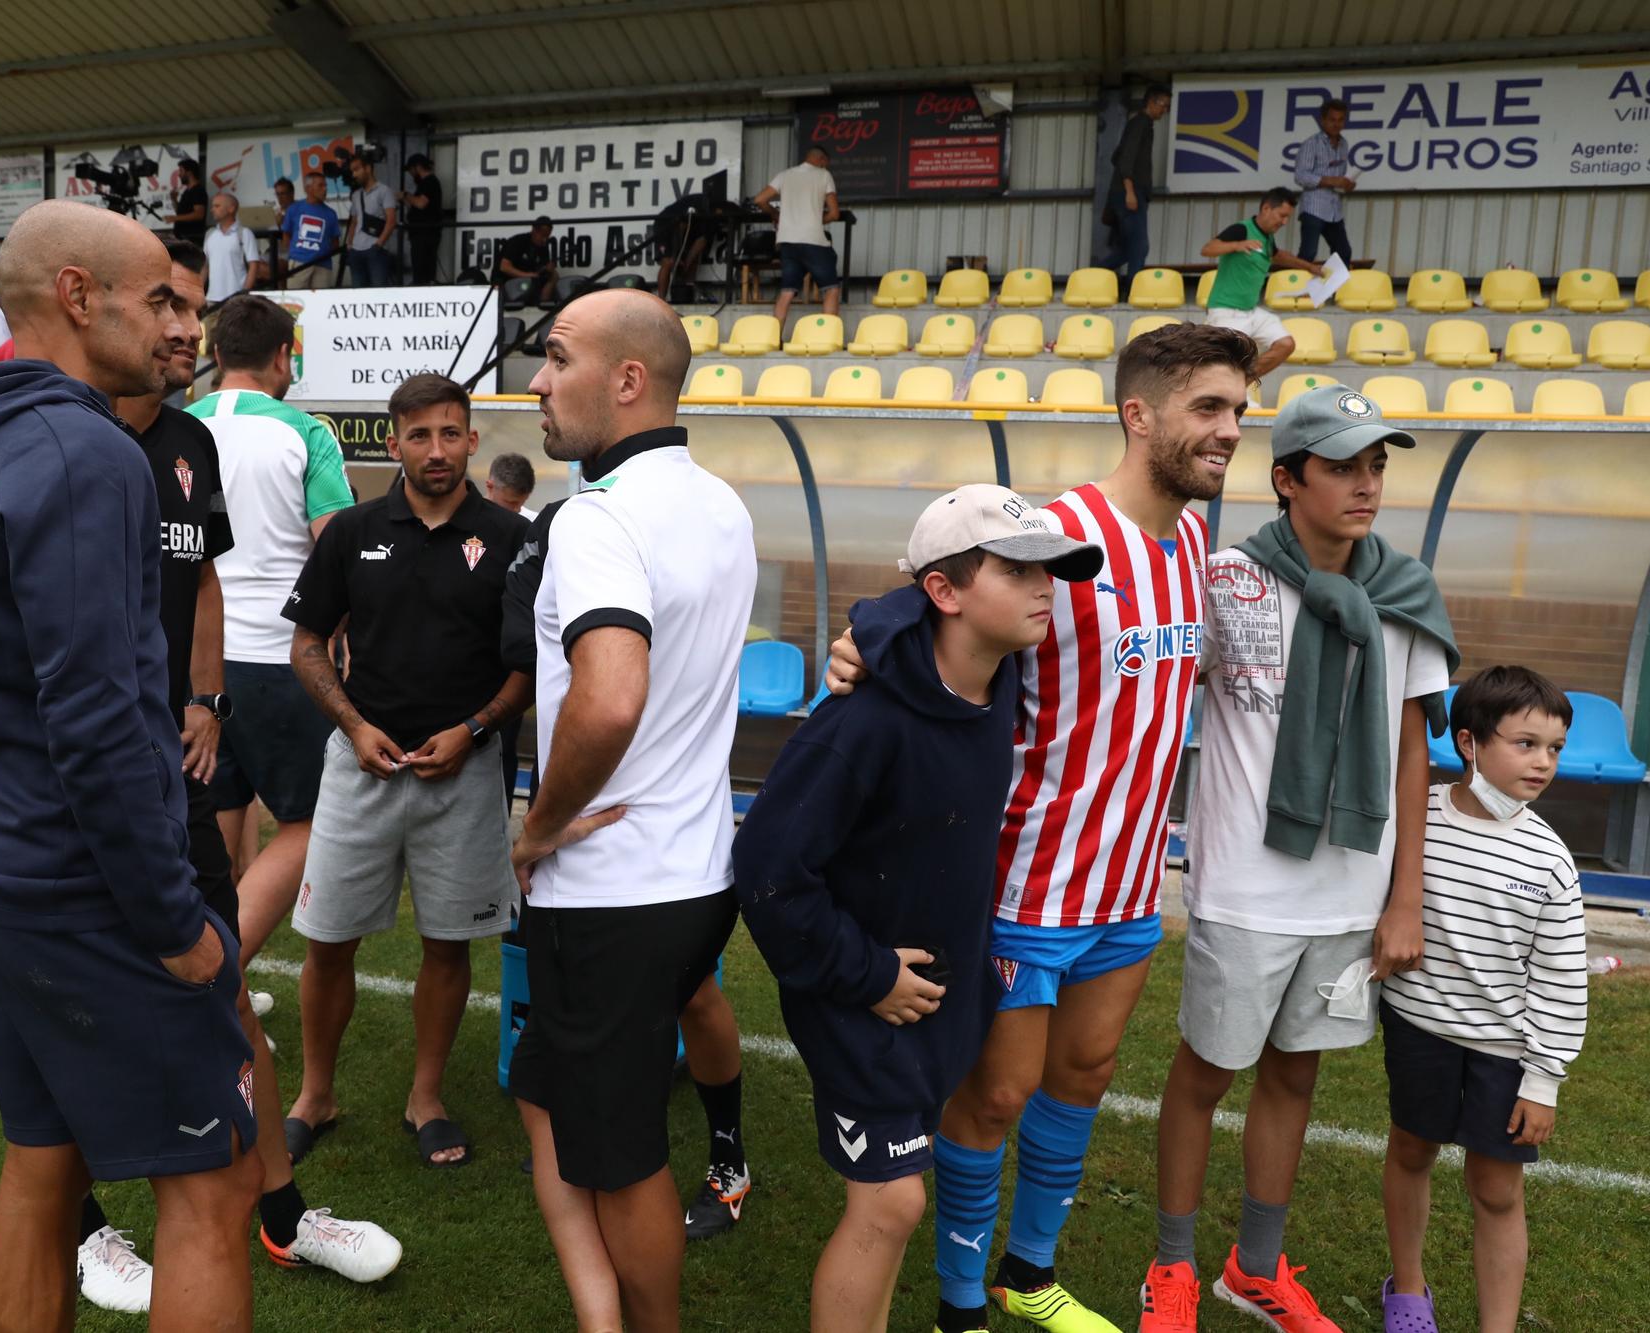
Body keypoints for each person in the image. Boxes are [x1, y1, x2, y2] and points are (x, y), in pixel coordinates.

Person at [0, 199, 260, 1332]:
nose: (175, 320)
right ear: (80, 298)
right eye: (157, 298)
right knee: (213, 1184)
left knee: (43, 1167)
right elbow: (99, 721)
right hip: (86, 888)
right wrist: (174, 924)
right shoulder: (85, 448)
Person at [826, 322, 1257, 1333]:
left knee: (1085, 1073)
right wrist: (861, 640)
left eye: (1238, 410)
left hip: (1128, 884)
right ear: (1135, 415)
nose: (1230, 430)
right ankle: (961, 1299)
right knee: (995, 1095)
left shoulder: (1191, 535)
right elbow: (922, 603)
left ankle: (1028, 1272)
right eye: (1207, 409)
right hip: (1026, 881)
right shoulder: (1058, 532)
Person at [69, 238, 400, 1310]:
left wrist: (203, 697)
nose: (179, 334)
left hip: (191, 726)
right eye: (162, 307)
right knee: (84, 1024)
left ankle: (285, 1216)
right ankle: (83, 1226)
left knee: (215, 971)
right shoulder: (41, 438)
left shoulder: (187, 438)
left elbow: (202, 574)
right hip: (89, 788)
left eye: (192, 316)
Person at [738, 485, 1103, 1333]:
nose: (1044, 587)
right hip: (861, 997)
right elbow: (765, 869)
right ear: (945, 593)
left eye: (1048, 569)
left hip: (938, 998)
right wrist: (866, 975)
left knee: (899, 1195)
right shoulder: (860, 724)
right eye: (1017, 571)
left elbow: (904, 618)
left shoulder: (999, 673)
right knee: (892, 1202)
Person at [1141, 384, 1458, 1333]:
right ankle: (1172, 1268)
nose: (1366, 485)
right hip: (1245, 887)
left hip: (1352, 895)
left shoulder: (1406, 590)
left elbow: (1412, 753)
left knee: (1296, 1076)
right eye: (1343, 467)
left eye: (1377, 466)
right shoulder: (1224, 578)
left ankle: (1257, 1266)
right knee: (1204, 1074)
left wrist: (1405, 898)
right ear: (1286, 480)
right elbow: (1147, 672)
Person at [505, 288, 754, 1331]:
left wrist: (537, 824)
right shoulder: (720, 502)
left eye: (556, 358)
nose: (536, 381)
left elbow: (609, 699)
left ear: (626, 381)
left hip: (612, 887)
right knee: (542, 1088)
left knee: (620, 1153)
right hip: (693, 873)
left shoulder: (598, 518)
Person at [281, 373, 530, 1170]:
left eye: (450, 434)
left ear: (472, 440)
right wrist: (353, 725)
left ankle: (427, 1096)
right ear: (392, 443)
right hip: (363, 767)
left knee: (449, 944)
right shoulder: (351, 532)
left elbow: (530, 665)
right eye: (419, 435)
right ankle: (316, 1093)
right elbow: (308, 643)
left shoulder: (511, 538)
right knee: (326, 940)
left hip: (465, 771)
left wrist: (472, 729)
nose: (436, 450)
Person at [1376, 666, 1586, 1333]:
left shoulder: (1551, 861)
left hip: (1505, 1052)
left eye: (1554, 747)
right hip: (1418, 1029)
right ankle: (1407, 1290)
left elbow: (1560, 977)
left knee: (1496, 1188)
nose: (1543, 761)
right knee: (1411, 1149)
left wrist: (1545, 1079)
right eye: (1525, 743)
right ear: (1468, 741)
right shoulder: (1416, 818)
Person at [188, 295, 355, 977]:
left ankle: (214, 985)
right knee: (310, 824)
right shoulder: (303, 433)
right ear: (285, 357)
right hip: (274, 658)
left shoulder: (174, 427)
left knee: (219, 821)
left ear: (217, 354)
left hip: (191, 660)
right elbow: (335, 551)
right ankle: (217, 979)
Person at [1199, 188, 1323, 380]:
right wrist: (1236, 245)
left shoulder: (1267, 237)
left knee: (1285, 344)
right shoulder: (1241, 229)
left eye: (1287, 217)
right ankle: (1232, 387)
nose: (1284, 222)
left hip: (1250, 311)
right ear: (1266, 208)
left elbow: (1278, 256)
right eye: (1282, 215)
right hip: (1226, 312)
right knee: (1225, 366)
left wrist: (1310, 267)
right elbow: (1207, 249)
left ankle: (1243, 382)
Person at [753, 147, 841, 334]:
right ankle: (827, 337)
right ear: (822, 160)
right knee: (831, 289)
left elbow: (760, 200)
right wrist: (818, 220)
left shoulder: (785, 175)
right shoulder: (824, 175)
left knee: (787, 291)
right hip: (813, 241)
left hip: (788, 241)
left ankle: (774, 338)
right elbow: (834, 213)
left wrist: (776, 214)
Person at [1100, 84, 1169, 281]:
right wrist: (1129, 190)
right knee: (1140, 246)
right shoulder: (1141, 123)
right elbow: (1124, 159)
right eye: (1163, 105)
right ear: (1151, 102)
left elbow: (1116, 156)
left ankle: (1090, 277)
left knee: (1126, 249)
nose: (1165, 110)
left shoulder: (1139, 125)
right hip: (1130, 192)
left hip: (1127, 192)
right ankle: (1133, 292)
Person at [1292, 100, 1356, 267]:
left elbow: (1339, 176)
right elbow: (1300, 176)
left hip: (1334, 209)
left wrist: (1346, 184)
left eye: (1341, 120)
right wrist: (1331, 180)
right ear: (1323, 120)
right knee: (1308, 253)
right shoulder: (1311, 144)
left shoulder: (1344, 144)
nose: (1336, 124)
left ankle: (1332, 290)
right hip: (1314, 207)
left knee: (1343, 252)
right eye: (1332, 119)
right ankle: (1298, 290)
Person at [346, 150, 399, 287]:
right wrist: (349, 244)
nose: (354, 174)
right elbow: (354, 221)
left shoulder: (384, 191)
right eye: (352, 171)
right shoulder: (356, 195)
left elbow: (391, 220)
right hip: (356, 251)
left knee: (378, 293)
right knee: (358, 293)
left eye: (356, 170)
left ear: (368, 168)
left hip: (375, 250)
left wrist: (379, 245)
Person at [281, 172, 341, 290]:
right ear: (308, 188)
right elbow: (286, 235)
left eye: (325, 186)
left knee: (322, 304)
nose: (325, 189)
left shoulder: (331, 214)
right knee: (295, 302)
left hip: (323, 265)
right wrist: (296, 254)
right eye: (320, 185)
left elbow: (335, 242)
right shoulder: (294, 208)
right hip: (299, 264)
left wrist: (322, 253)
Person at [652, 191, 714, 302]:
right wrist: (677, 256)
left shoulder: (709, 223)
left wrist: (687, 262)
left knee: (692, 262)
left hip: (686, 229)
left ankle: (688, 294)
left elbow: (701, 241)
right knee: (668, 262)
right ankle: (661, 300)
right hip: (667, 224)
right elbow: (679, 229)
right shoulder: (697, 205)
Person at [205, 192, 266, 302]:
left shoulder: (244, 233)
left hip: (236, 299)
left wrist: (244, 293)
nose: (212, 209)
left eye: (217, 206)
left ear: (231, 209)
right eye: (213, 206)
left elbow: (254, 265)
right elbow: (204, 266)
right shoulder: (210, 234)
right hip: (211, 298)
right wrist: (200, 292)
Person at [402, 154, 444, 286]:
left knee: (423, 270)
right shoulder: (425, 184)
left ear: (418, 167)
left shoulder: (429, 182)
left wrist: (405, 195)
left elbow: (421, 203)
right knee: (420, 269)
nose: (410, 174)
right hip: (420, 233)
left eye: (411, 170)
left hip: (425, 234)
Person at [498, 217, 559, 306]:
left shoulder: (543, 248)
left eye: (547, 237)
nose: (544, 240)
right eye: (542, 236)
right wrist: (528, 275)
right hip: (508, 282)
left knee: (554, 274)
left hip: (530, 283)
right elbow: (504, 267)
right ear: (534, 231)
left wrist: (547, 268)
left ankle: (543, 305)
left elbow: (541, 270)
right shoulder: (518, 241)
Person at [168, 157, 208, 246]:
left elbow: (199, 214)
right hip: (183, 238)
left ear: (189, 172)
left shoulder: (198, 191)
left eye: (181, 171)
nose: (179, 175)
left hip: (192, 239)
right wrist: (174, 200)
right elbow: (181, 213)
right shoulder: (187, 191)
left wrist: (174, 218)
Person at [486, 451, 537, 518]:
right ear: (490, 487)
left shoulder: (534, 522)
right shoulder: (469, 521)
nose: (518, 510)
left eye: (522, 503)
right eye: (511, 503)